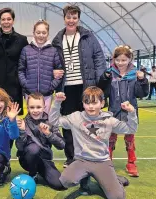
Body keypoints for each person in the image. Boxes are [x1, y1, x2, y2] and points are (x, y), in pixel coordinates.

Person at [49, 87, 136, 199]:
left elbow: (131, 129)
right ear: (83, 104)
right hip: (81, 161)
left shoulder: (109, 120)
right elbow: (54, 121)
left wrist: (131, 112)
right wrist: (57, 102)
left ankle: (115, 179)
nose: (91, 106)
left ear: (102, 103)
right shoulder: (75, 118)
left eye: (94, 102)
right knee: (65, 181)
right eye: (87, 102)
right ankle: (87, 178)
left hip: (102, 162)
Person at [51, 4, 108, 168]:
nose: (71, 20)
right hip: (66, 88)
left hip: (85, 87)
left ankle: (89, 155)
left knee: (88, 123)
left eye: (74, 17)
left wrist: (98, 86)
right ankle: (71, 157)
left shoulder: (88, 37)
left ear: (78, 19)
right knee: (68, 124)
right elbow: (52, 63)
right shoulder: (57, 40)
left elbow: (99, 59)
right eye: (68, 17)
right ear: (64, 18)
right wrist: (54, 73)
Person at [103, 45, 149, 177]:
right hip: (114, 111)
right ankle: (107, 162)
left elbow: (142, 94)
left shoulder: (135, 74)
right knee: (111, 137)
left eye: (124, 60)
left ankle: (131, 162)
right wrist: (104, 79)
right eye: (118, 60)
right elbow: (104, 92)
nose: (120, 63)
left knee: (130, 137)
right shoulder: (110, 73)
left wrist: (142, 80)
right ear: (114, 60)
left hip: (130, 112)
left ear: (130, 60)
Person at [15, 92, 65, 190]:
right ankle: (32, 173)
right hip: (27, 160)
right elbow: (19, 147)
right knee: (34, 148)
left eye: (38, 107)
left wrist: (48, 134)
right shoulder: (23, 122)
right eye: (32, 107)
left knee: (59, 184)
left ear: (44, 106)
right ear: (27, 107)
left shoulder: (50, 121)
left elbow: (61, 145)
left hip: (44, 159)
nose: (35, 110)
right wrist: (22, 130)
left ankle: (41, 171)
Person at [0, 7, 28, 116]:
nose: (6, 22)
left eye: (9, 19)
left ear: (13, 20)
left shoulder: (22, 40)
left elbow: (28, 61)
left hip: (14, 84)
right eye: (3, 19)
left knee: (12, 117)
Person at [18, 19, 63, 114]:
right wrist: (26, 85)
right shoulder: (26, 50)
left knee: (45, 120)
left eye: (44, 32)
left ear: (48, 34)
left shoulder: (53, 51)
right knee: (31, 120)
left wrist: (51, 86)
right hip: (30, 94)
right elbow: (21, 70)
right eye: (38, 32)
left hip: (47, 95)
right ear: (33, 33)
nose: (41, 35)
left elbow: (59, 71)